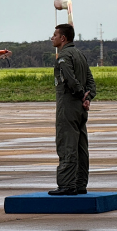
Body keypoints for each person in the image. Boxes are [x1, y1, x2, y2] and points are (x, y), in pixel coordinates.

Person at [49, 24, 96, 196]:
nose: (52, 38)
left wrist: (80, 93)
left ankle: (67, 185)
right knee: (81, 146)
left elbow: (69, 78)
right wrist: (87, 97)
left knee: (67, 144)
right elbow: (91, 81)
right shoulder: (80, 55)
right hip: (81, 109)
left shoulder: (64, 56)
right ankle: (80, 183)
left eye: (55, 35)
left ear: (63, 38)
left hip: (68, 106)